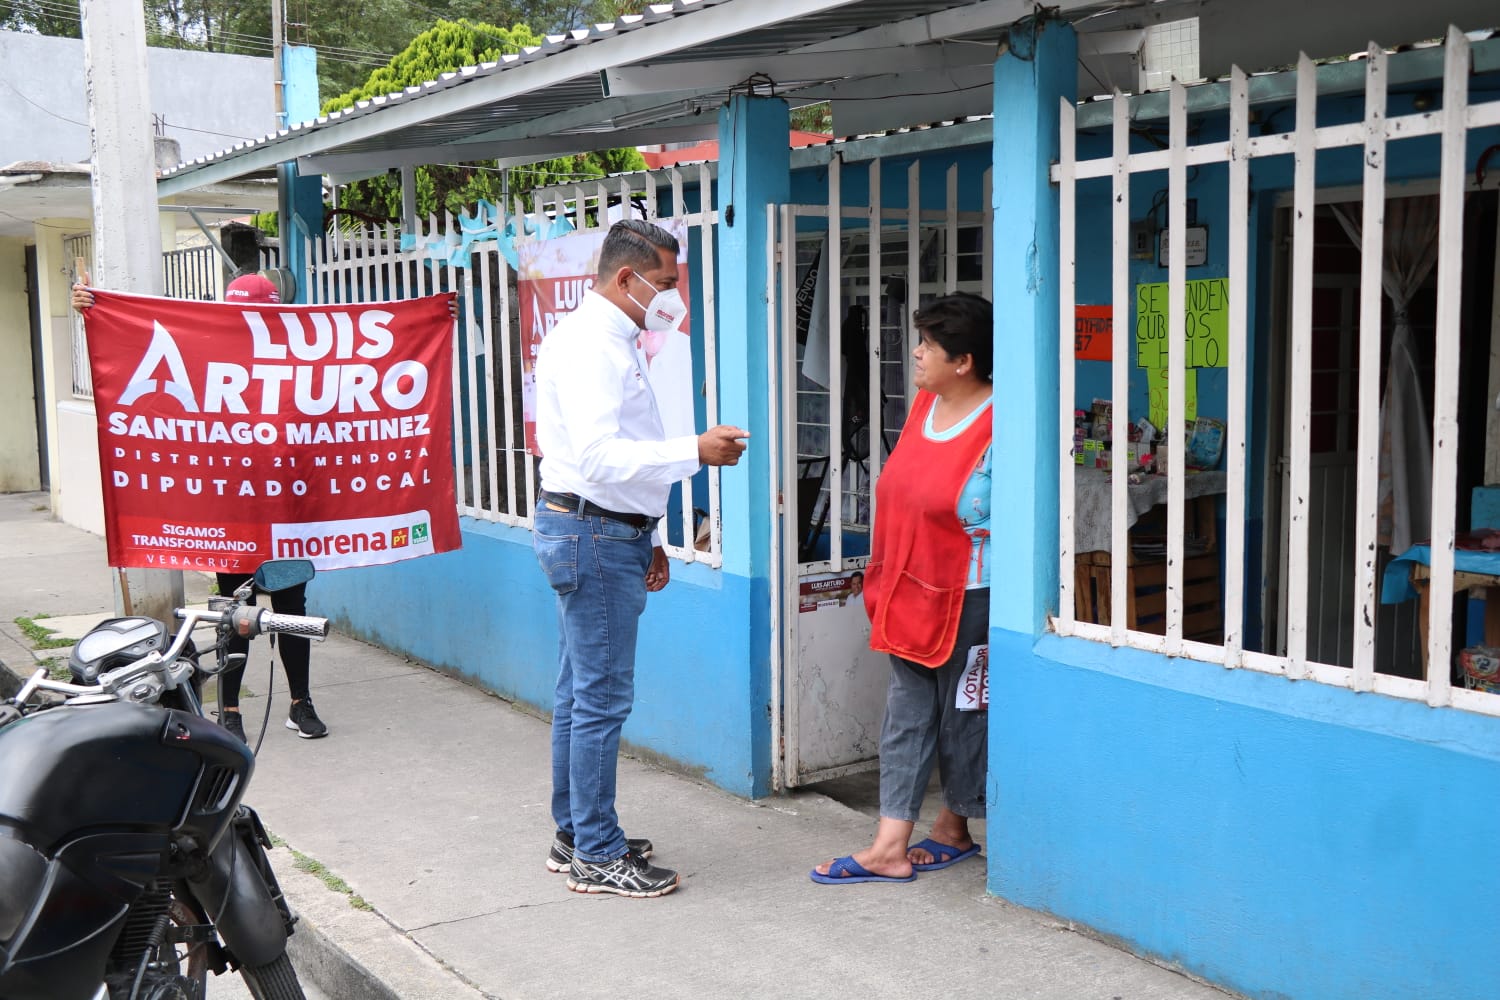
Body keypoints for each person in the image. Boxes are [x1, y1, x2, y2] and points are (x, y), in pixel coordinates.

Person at [532, 219, 748, 899]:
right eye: (665, 284)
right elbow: (598, 455)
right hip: (593, 534)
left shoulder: (609, 337)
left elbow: (613, 451)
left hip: (600, 528)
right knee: (599, 700)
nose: (671, 298)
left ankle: (577, 834)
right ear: (625, 278)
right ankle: (595, 852)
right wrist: (694, 450)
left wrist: (649, 530)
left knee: (578, 694)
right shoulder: (594, 345)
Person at [72, 272, 327, 742]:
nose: (250, 322)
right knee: (237, 615)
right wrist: (93, 309)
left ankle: (300, 702)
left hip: (287, 514)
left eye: (260, 313)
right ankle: (229, 711)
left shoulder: (298, 352)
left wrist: (433, 323)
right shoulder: (208, 349)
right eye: (241, 314)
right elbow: (137, 350)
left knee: (292, 612)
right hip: (233, 514)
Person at [812, 292, 994, 885]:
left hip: (972, 593)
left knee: (966, 709)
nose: (915, 352)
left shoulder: (1000, 422)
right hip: (910, 586)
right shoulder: (925, 405)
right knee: (909, 709)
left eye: (928, 346)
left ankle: (954, 825)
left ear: (963, 361)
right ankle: (892, 842)